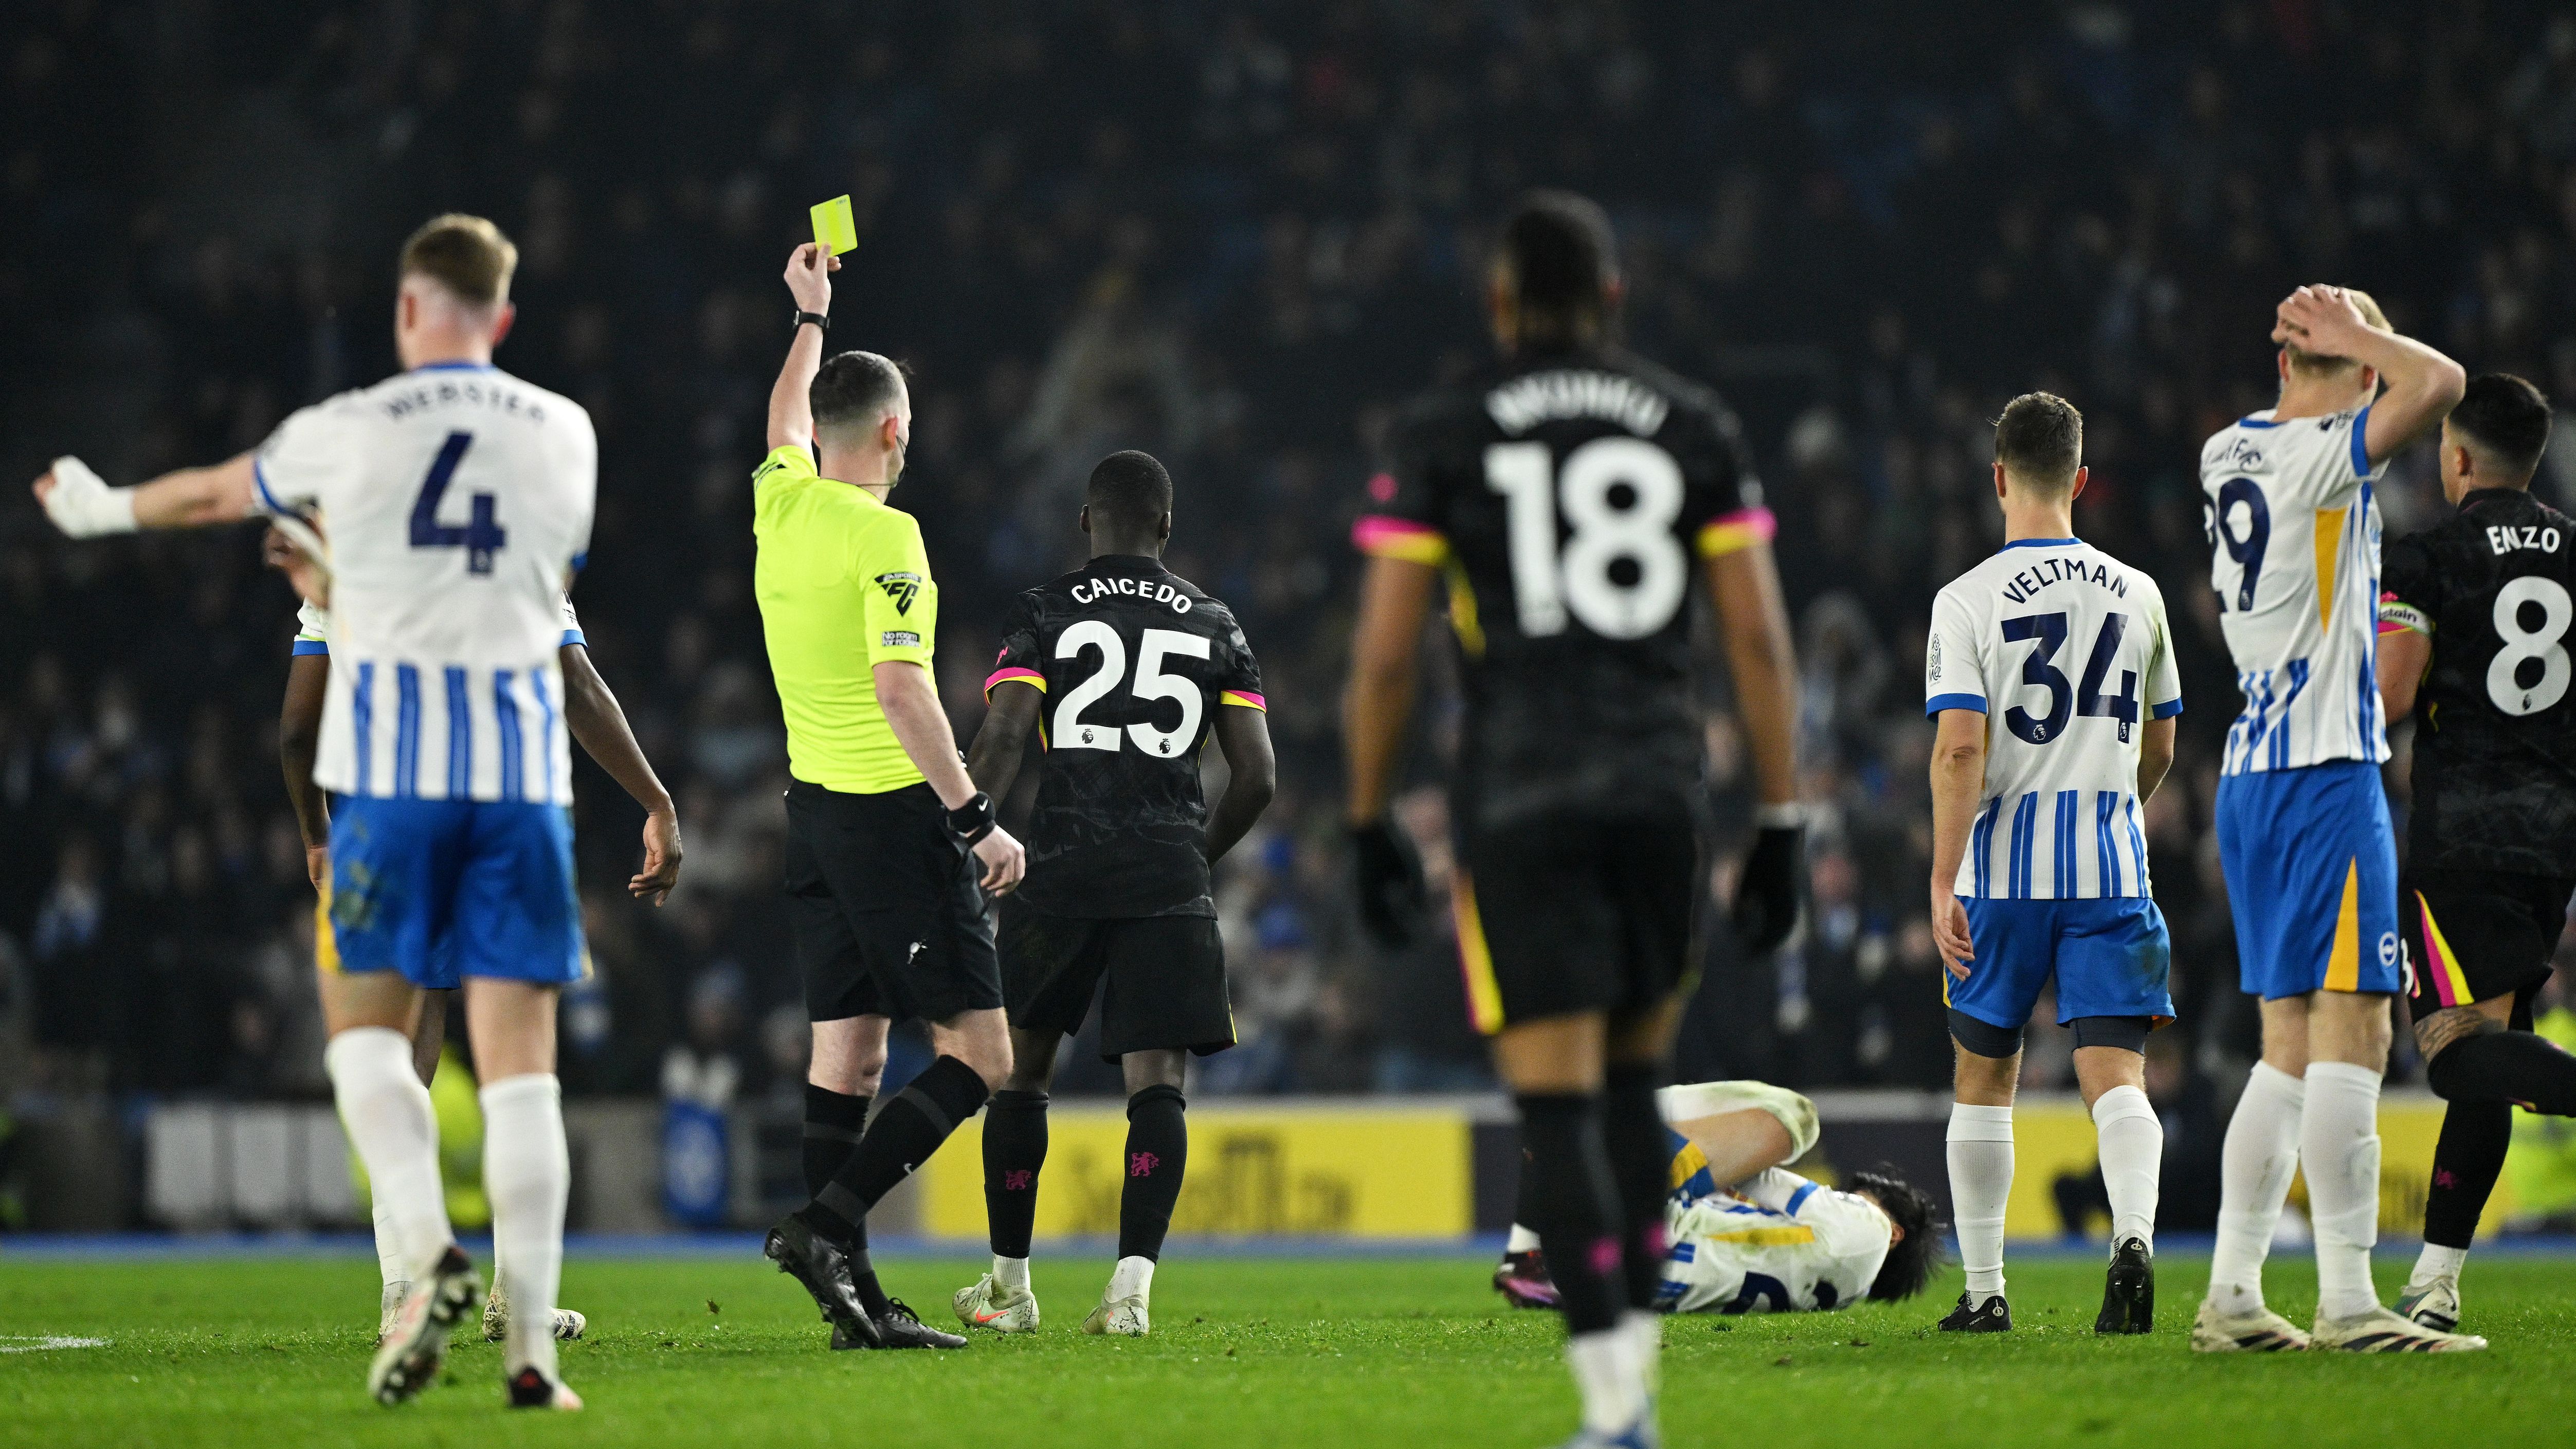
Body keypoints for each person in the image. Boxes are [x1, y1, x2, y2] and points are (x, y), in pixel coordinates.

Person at [35, 213, 601, 1406]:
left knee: (358, 1038)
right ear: (501, 319)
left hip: (392, 781)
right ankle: (532, 1358)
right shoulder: (565, 432)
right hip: (519, 783)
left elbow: (205, 498)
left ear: (406, 310)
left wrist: (99, 506)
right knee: (522, 1075)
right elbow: (515, 588)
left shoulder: (342, 432)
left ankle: (420, 1247)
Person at [1342, 191, 1804, 1449]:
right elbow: (1756, 635)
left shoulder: (1442, 428)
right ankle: (1630, 1396)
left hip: (1520, 795)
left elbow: (1384, 659)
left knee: (1555, 1109)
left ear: (1496, 303)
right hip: (1659, 789)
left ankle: (1615, 1409)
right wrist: (1781, 815)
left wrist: (1368, 817)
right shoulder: (1690, 423)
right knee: (1630, 1092)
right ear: (1613, 299)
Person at [270, 532, 678, 1345]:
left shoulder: (355, 542)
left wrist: (316, 834)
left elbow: (295, 729)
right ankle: (515, 1298)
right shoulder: (516, 528)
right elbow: (576, 685)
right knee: (517, 1065)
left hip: (385, 816)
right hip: (503, 809)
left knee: (403, 1052)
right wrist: (655, 800)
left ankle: (402, 1290)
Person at [2191, 283, 2482, 1353]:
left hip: (2251, 776)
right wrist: (2367, 338)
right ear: (2352, 364)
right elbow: (2443, 382)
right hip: (2326, 769)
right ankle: (2352, 1300)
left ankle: (2231, 1291)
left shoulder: (2227, 452)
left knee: (2286, 1046)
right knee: (2356, 1020)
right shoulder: (2324, 455)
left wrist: (2341, 343)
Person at [749, 240, 1026, 1352]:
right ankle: (826, 1222)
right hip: (890, 819)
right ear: (897, 432)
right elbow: (903, 687)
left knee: (848, 1054)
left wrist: (809, 315)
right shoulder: (887, 534)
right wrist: (973, 816)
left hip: (811, 813)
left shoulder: (783, 499)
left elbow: (780, 420)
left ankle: (851, 1300)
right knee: (983, 1056)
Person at [948, 449, 1276, 1339]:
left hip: (1061, 864)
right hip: (1167, 870)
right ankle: (1129, 1291)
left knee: (1022, 1071)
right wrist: (1195, 856)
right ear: (1167, 527)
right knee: (1157, 1084)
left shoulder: (1045, 609)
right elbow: (1256, 776)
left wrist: (967, 833)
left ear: (1085, 523)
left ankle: (1009, 1286)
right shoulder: (1215, 621)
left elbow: (1005, 737)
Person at [1921, 393, 2182, 1336]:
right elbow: (2160, 742)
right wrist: (2120, 805)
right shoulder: (2140, 591)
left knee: (1985, 1077)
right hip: (2112, 871)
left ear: (1998, 477)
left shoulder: (1967, 599)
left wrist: (1943, 877)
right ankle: (2134, 1239)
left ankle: (1987, 1290)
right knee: (2117, 1075)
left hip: (2000, 877)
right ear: (2079, 480)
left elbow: (1960, 749)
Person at [2373, 374, 2576, 1334]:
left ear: (2456, 457)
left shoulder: (2428, 556)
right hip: (2551, 837)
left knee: (2456, 1057)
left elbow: (2396, 695)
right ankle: (2437, 1282)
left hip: (2462, 832)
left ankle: (2437, 1280)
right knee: (2491, 1047)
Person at [1492, 1080, 1938, 1316]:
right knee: (1572, 1134)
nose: (1839, 1196)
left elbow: (1760, 1176)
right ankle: (1540, 1253)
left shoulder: (1870, 1231)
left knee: (1798, 1118)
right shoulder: (1837, 1294)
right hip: (1630, 1279)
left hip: (1656, 1231)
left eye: (1858, 1197)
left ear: (1895, 1231)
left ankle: (1607, 1115)